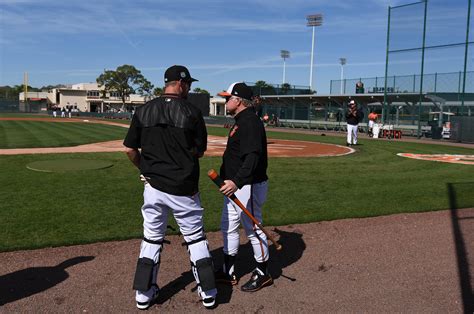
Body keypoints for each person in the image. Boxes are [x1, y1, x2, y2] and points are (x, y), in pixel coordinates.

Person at [123, 65, 217, 310]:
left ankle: (143, 295)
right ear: (181, 83)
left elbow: (130, 150)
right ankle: (209, 292)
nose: (189, 89)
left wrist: (146, 169)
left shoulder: (143, 110)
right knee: (196, 239)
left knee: (151, 239)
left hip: (153, 187)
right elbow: (199, 152)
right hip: (183, 187)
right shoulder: (192, 112)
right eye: (189, 85)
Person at [215, 82, 272, 292]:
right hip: (235, 185)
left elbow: (252, 158)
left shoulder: (250, 122)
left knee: (253, 229)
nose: (225, 101)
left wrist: (236, 182)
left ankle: (263, 273)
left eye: (227, 98)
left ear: (238, 100)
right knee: (228, 226)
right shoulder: (241, 120)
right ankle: (228, 271)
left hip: (249, 185)